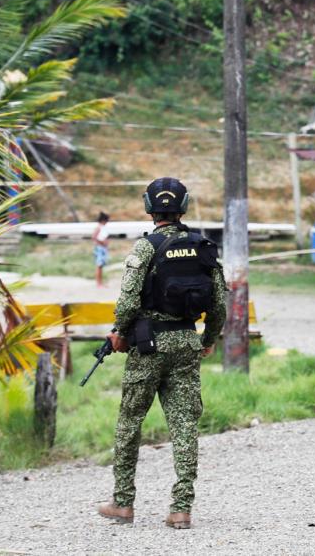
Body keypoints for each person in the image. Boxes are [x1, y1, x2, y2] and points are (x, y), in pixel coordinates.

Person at [97, 177, 227, 530]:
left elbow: (126, 303)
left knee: (130, 422)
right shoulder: (204, 247)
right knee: (185, 425)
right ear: (183, 206)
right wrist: (208, 338)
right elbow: (219, 304)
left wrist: (119, 334)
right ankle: (181, 508)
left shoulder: (145, 248)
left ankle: (123, 503)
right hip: (186, 343)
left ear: (149, 207)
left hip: (148, 346)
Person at [93, 212, 111, 287]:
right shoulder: (99, 227)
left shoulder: (102, 227)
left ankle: (100, 282)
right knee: (99, 266)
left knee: (101, 266)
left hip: (102, 248)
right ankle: (98, 283)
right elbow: (94, 237)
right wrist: (102, 242)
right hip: (100, 248)